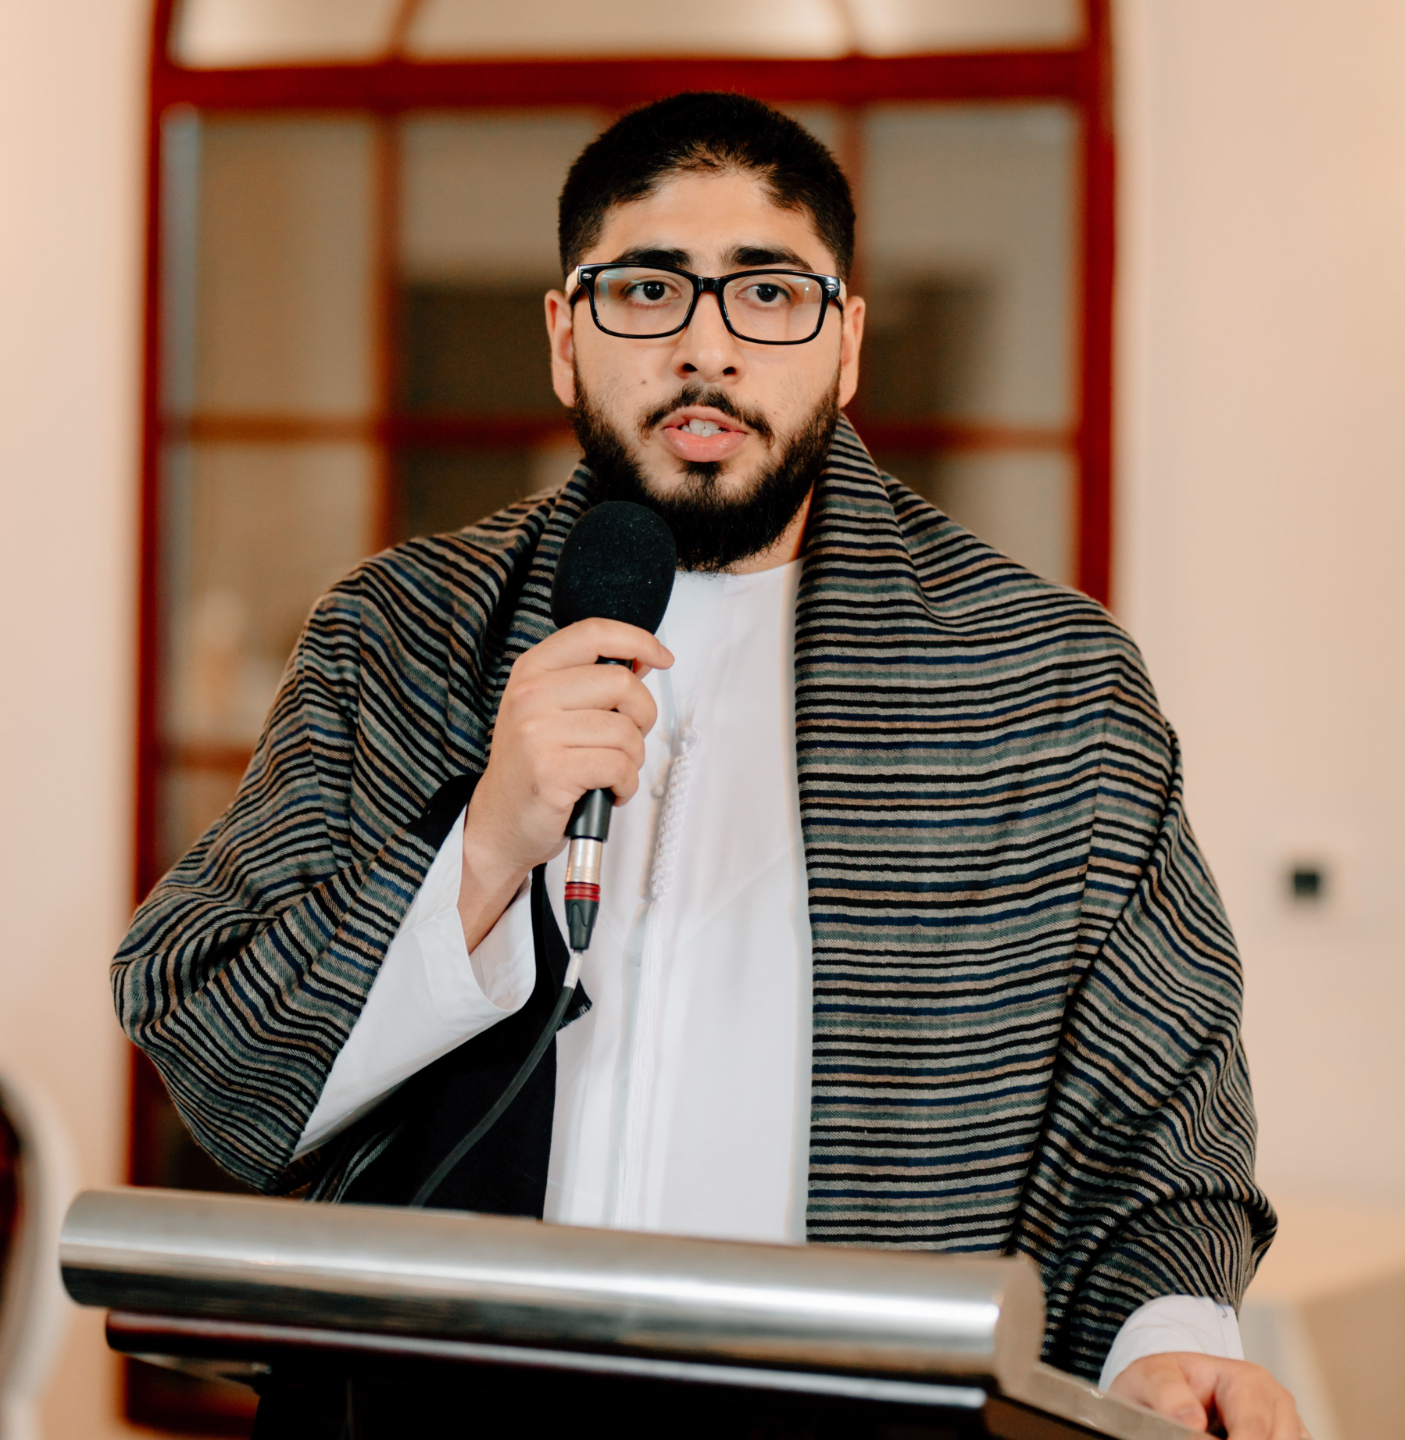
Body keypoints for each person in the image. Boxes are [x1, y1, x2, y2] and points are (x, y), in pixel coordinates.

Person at [114, 92, 1306, 1437]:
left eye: (770, 293)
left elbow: (1162, 1109)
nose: (706, 347)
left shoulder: (1048, 684)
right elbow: (215, 1047)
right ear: (564, 338)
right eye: (646, 290)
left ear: (846, 345)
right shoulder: (398, 634)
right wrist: (484, 845)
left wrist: (1167, 1343)